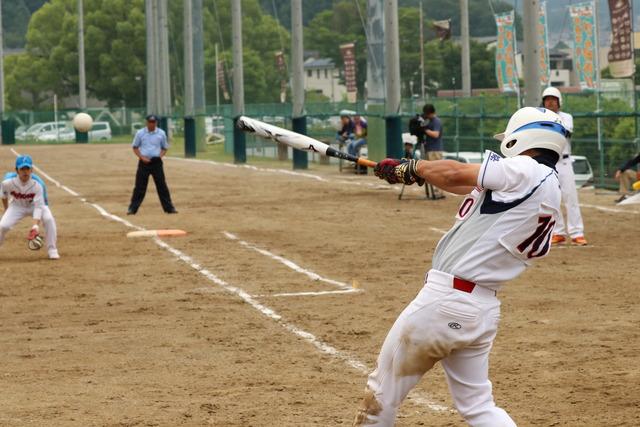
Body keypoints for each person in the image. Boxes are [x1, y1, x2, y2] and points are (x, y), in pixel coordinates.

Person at [353, 107, 567, 426]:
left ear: (525, 136)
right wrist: (414, 172)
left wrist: (414, 165)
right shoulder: (549, 187)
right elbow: (462, 185)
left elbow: (454, 172)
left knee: (380, 396)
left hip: (444, 302)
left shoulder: (525, 169)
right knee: (479, 407)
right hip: (481, 310)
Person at [541, 87, 587, 246]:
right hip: (548, 163)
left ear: (559, 102)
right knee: (551, 199)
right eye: (547, 99)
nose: (550, 102)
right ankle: (558, 232)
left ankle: (577, 233)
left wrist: (545, 122)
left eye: (553, 99)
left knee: (570, 198)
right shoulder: (540, 116)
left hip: (565, 162)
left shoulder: (566, 117)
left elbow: (565, 132)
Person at [0, 155, 59, 260]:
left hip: (35, 206)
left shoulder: (38, 184)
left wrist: (35, 226)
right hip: (17, 206)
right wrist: (6, 209)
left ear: (31, 169)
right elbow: (4, 196)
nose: (25, 172)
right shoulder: (7, 182)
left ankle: (52, 250)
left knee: (49, 219)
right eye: (22, 169)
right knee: (3, 226)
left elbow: (39, 206)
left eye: (27, 168)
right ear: (17, 170)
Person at [127, 115, 177, 215]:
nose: (152, 124)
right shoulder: (140, 133)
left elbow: (164, 147)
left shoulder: (161, 133)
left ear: (156, 123)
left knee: (162, 186)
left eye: (154, 122)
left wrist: (160, 156)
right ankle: (132, 208)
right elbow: (135, 147)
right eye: (150, 122)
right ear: (147, 122)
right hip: (144, 162)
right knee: (140, 187)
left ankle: (169, 208)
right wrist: (142, 157)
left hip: (156, 163)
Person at [419, 104, 445, 199]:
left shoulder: (436, 121)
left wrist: (425, 130)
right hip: (429, 149)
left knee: (437, 171)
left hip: (435, 150)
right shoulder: (430, 121)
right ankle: (434, 192)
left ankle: (439, 192)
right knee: (430, 172)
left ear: (430, 113)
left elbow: (435, 134)